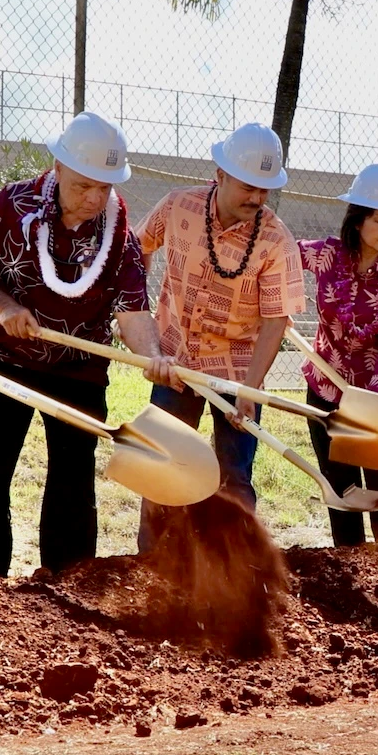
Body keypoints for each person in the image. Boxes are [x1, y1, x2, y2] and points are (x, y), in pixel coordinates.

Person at [0, 110, 178, 576]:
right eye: (83, 185)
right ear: (57, 168)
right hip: (5, 358)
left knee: (74, 481)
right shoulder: (13, 203)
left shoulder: (120, 233)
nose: (95, 198)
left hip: (80, 368)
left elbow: (134, 311)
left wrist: (154, 358)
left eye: (105, 187)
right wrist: (5, 306)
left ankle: (69, 583)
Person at [135, 122, 303, 549]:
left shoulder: (275, 240)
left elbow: (275, 320)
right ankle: (154, 570)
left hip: (237, 374)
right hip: (174, 362)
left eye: (265, 189)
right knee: (162, 470)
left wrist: (250, 389)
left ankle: (236, 578)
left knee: (233, 479)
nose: (257, 197)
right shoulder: (177, 207)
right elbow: (137, 250)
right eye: (249, 186)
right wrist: (143, 322)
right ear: (221, 173)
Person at [299, 163, 378, 546]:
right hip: (325, 389)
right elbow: (278, 257)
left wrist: (367, 401)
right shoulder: (326, 255)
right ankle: (349, 570)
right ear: (357, 220)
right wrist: (273, 300)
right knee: (342, 490)